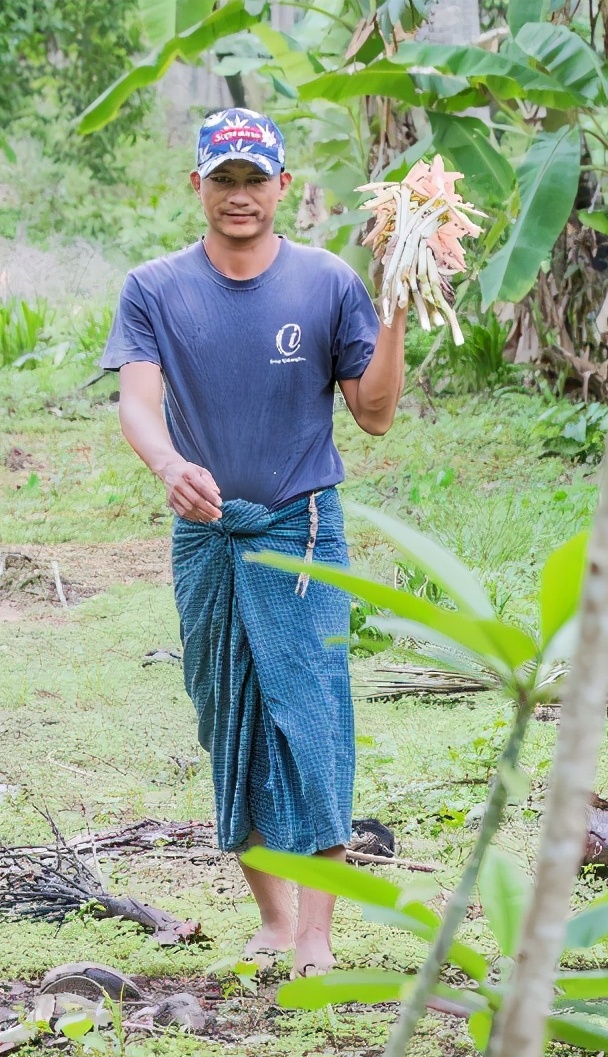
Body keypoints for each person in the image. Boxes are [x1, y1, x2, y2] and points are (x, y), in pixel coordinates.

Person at [101, 108, 407, 978]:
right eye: (224, 179)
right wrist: (166, 464)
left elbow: (375, 415)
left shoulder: (328, 283)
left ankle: (317, 935)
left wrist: (395, 318)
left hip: (301, 528)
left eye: (256, 179)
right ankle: (272, 917)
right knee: (225, 713)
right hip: (206, 536)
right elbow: (136, 400)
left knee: (311, 720)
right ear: (197, 186)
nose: (241, 196)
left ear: (284, 187)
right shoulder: (155, 287)